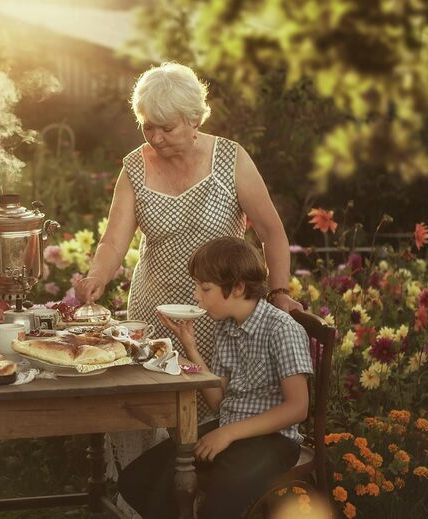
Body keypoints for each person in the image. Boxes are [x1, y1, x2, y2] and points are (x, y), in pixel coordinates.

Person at [75, 62, 302, 483]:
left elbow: (272, 230)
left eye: (166, 128)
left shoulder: (230, 158)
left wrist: (280, 291)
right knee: (148, 411)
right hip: (153, 314)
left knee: (212, 412)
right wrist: (97, 277)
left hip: (220, 318)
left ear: (194, 119)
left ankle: (204, 495)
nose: (156, 139)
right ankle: (144, 498)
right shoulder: (135, 166)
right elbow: (113, 242)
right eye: (147, 128)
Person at [118, 236, 313, 519]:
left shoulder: (282, 329)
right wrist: (190, 348)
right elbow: (218, 400)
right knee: (136, 480)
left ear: (238, 288)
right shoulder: (227, 327)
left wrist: (228, 433)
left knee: (218, 505)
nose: (197, 296)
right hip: (228, 429)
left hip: (274, 440)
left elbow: (298, 409)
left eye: (204, 288)